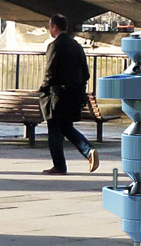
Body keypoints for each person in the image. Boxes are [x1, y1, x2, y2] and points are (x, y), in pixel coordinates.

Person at [38, 14, 99, 175]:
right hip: (74, 94)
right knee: (65, 127)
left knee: (54, 129)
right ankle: (88, 151)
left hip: (57, 94)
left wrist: (43, 88)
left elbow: (50, 72)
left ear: (55, 27)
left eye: (50, 27)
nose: (49, 30)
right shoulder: (76, 46)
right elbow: (86, 74)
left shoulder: (55, 46)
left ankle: (60, 165)